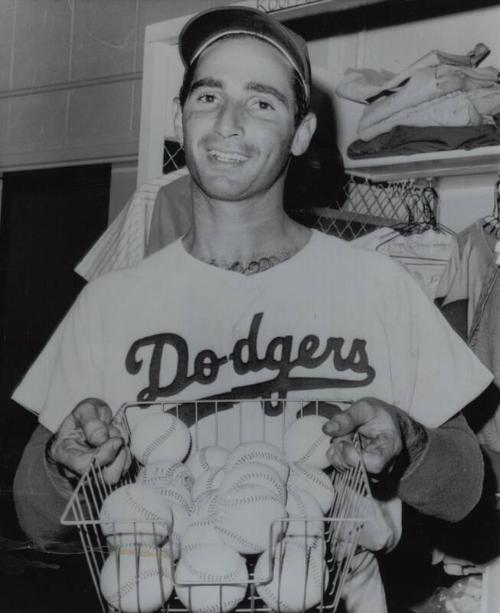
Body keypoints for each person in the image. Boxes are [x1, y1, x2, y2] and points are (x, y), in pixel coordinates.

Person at [12, 6, 493, 612]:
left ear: (301, 132)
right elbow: (36, 517)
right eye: (208, 95)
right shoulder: (111, 301)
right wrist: (64, 467)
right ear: (180, 116)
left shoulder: (378, 286)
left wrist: (412, 443)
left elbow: (466, 489)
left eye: (261, 101)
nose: (228, 123)